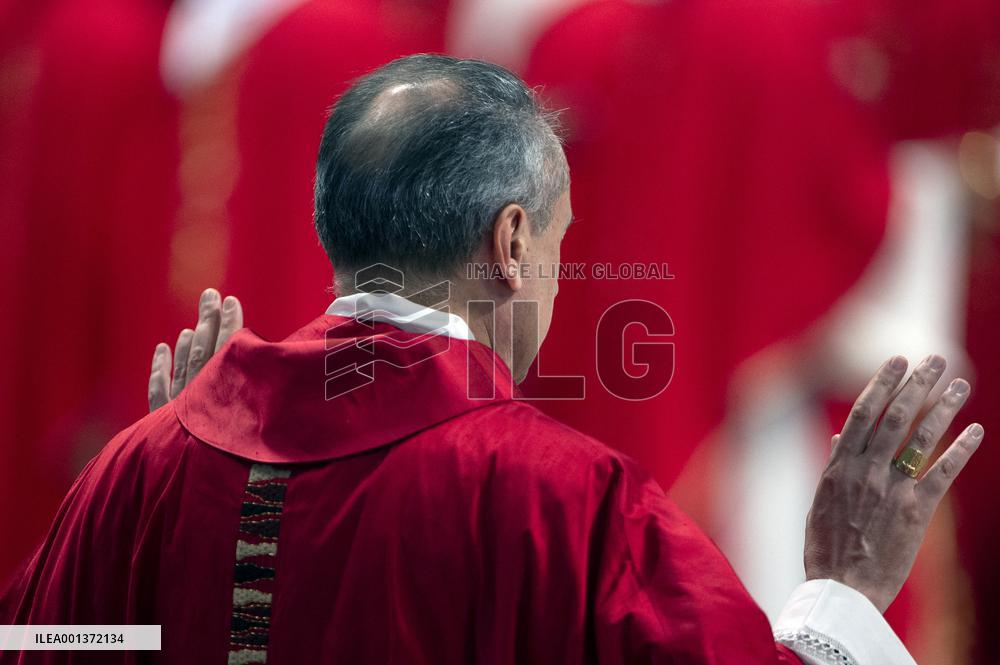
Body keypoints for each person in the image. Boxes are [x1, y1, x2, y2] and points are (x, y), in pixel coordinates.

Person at [0, 54, 984, 664]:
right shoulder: (565, 500)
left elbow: (46, 640)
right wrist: (843, 593)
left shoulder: (148, 465)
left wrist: (152, 518)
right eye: (559, 238)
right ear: (512, 244)